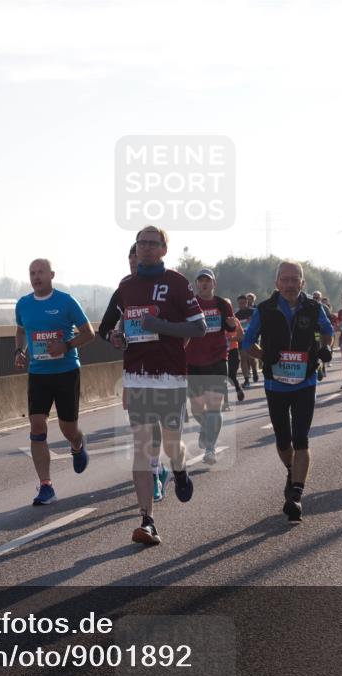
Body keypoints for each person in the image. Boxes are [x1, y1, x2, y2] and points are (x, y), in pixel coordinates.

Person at [108, 226, 206, 545]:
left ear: (164, 249)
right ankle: (147, 520)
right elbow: (119, 326)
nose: (146, 249)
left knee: (170, 444)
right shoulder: (126, 286)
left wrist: (161, 326)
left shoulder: (177, 283)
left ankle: (178, 468)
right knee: (141, 447)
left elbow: (200, 327)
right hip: (137, 373)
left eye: (152, 244)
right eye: (141, 244)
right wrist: (117, 336)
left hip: (170, 375)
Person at [241, 261, 334, 524]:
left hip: (306, 382)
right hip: (275, 384)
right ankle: (291, 469)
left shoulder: (314, 308)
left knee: (301, 437)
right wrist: (264, 356)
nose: (290, 284)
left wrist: (326, 348)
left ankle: (296, 494)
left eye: (295, 280)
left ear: (302, 284)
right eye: (285, 280)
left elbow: (328, 332)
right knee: (283, 440)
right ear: (277, 283)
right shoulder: (265, 309)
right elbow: (247, 342)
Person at [14, 259, 95, 505]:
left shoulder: (66, 302)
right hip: (38, 373)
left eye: (40, 272)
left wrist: (66, 345)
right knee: (37, 425)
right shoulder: (24, 304)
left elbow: (89, 333)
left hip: (66, 371)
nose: (36, 277)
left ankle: (78, 444)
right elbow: (20, 330)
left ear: (51, 275)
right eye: (32, 273)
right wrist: (19, 351)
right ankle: (46, 486)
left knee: (68, 428)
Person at [98, 243, 169, 502]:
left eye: (137, 261)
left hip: (164, 367)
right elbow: (104, 328)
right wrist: (114, 336)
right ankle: (153, 471)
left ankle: (158, 466)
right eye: (130, 262)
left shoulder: (166, 287)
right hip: (135, 368)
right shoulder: (124, 290)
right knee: (141, 427)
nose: (134, 266)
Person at [184, 269, 237, 464]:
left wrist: (231, 325)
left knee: (214, 407)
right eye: (201, 281)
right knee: (198, 410)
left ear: (214, 284)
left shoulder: (223, 304)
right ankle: (205, 428)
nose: (204, 284)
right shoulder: (190, 304)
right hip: (193, 361)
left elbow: (230, 328)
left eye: (208, 281)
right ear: (196, 284)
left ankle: (210, 448)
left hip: (217, 359)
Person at [222, 298, 245, 411]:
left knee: (231, 375)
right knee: (222, 378)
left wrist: (231, 338)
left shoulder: (235, 321)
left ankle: (238, 388)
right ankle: (226, 402)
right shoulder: (217, 320)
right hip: (220, 352)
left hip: (233, 351)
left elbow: (241, 337)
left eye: (228, 306)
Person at [236, 294, 257, 387]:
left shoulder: (253, 312)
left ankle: (255, 371)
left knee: (251, 358)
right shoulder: (236, 315)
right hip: (241, 338)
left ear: (247, 302)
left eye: (243, 303)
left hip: (252, 337)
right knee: (243, 358)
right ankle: (246, 379)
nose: (242, 305)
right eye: (240, 303)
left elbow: (258, 324)